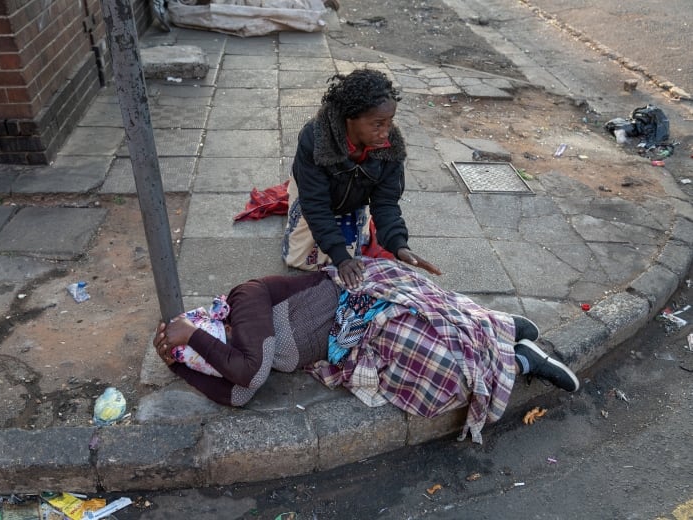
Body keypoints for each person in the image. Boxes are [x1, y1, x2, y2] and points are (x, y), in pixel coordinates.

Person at [154, 258, 579, 443]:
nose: (208, 360)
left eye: (204, 348)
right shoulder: (239, 353)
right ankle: (522, 357)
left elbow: (247, 373)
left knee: (429, 322)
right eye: (203, 359)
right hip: (353, 343)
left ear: (215, 322)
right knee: (437, 369)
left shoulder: (246, 302)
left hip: (357, 301)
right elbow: (242, 390)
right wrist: (178, 365)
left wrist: (190, 339)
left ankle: (501, 329)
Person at [281, 68, 441, 290]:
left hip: (355, 196)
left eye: (389, 122)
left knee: (355, 265)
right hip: (315, 196)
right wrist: (340, 256)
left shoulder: (390, 146)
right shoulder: (316, 137)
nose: (386, 133)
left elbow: (385, 202)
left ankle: (352, 223)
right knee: (299, 261)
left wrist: (398, 245)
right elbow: (315, 204)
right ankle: (298, 213)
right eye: (378, 124)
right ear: (351, 118)